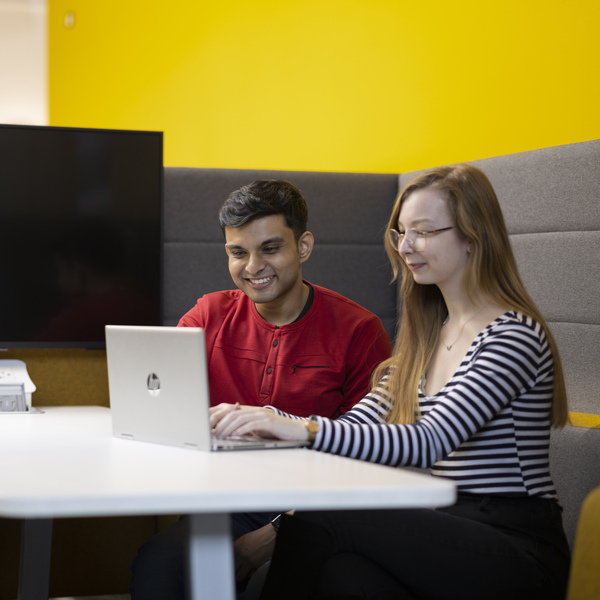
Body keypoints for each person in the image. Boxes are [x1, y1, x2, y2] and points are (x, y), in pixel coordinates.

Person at [212, 164, 571, 600]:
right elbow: (361, 425)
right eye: (400, 232)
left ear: (472, 237)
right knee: (344, 574)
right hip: (445, 527)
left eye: (423, 231)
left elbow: (427, 442)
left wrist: (297, 428)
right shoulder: (427, 341)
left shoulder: (511, 335)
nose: (406, 246)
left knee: (318, 519)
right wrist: (266, 418)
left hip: (514, 543)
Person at [129, 179, 391, 599]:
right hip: (222, 503)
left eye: (270, 248)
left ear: (302, 246)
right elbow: (161, 407)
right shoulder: (207, 314)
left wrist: (270, 537)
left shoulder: (359, 330)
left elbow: (369, 456)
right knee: (159, 565)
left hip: (317, 512)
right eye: (238, 252)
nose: (253, 267)